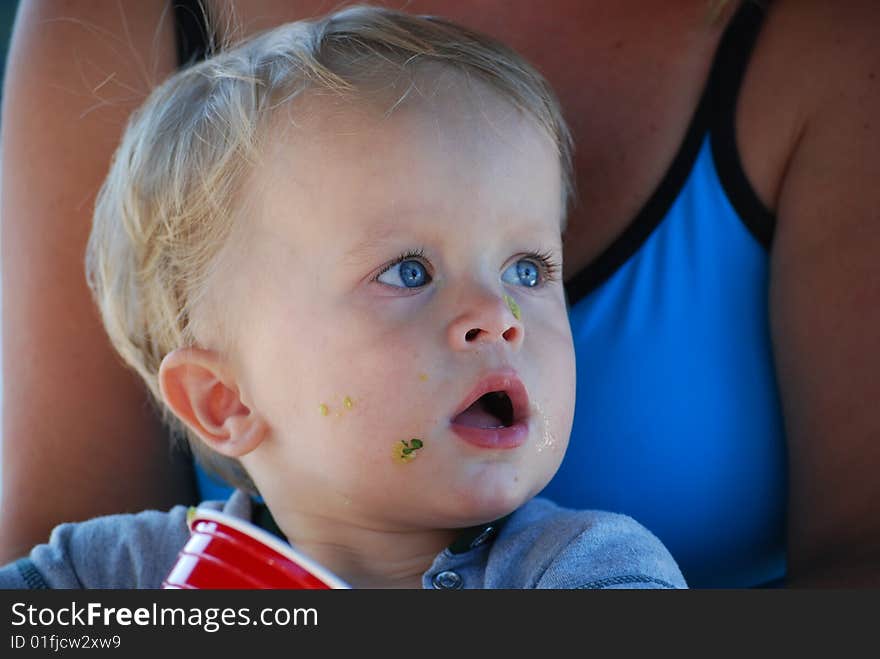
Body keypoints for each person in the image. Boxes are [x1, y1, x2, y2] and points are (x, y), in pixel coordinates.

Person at [2, 0, 878, 588]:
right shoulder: (129, 568)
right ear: (224, 398)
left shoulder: (582, 570)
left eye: (529, 270)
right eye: (410, 272)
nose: (499, 316)